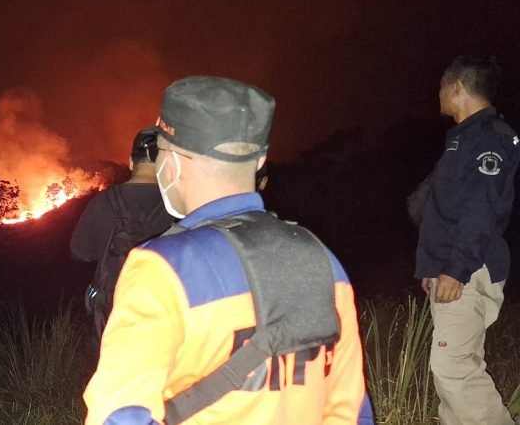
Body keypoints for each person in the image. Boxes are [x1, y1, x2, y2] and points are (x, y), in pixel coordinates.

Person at [83, 76, 372, 424]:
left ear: (172, 162)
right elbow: (350, 409)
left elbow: (118, 414)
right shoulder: (323, 261)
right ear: (259, 160)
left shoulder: (160, 269)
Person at [415, 55, 518, 425]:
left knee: (452, 367)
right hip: (454, 268)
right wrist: (434, 267)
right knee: (454, 371)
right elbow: (449, 211)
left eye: (442, 85)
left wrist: (456, 270)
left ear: (457, 87)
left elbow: (481, 212)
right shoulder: (463, 138)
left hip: (470, 270)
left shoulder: (488, 139)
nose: (438, 93)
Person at [70, 126, 174, 341]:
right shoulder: (179, 206)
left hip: (114, 316)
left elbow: (79, 253)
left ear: (130, 161)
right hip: (167, 316)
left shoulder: (102, 203)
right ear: (168, 163)